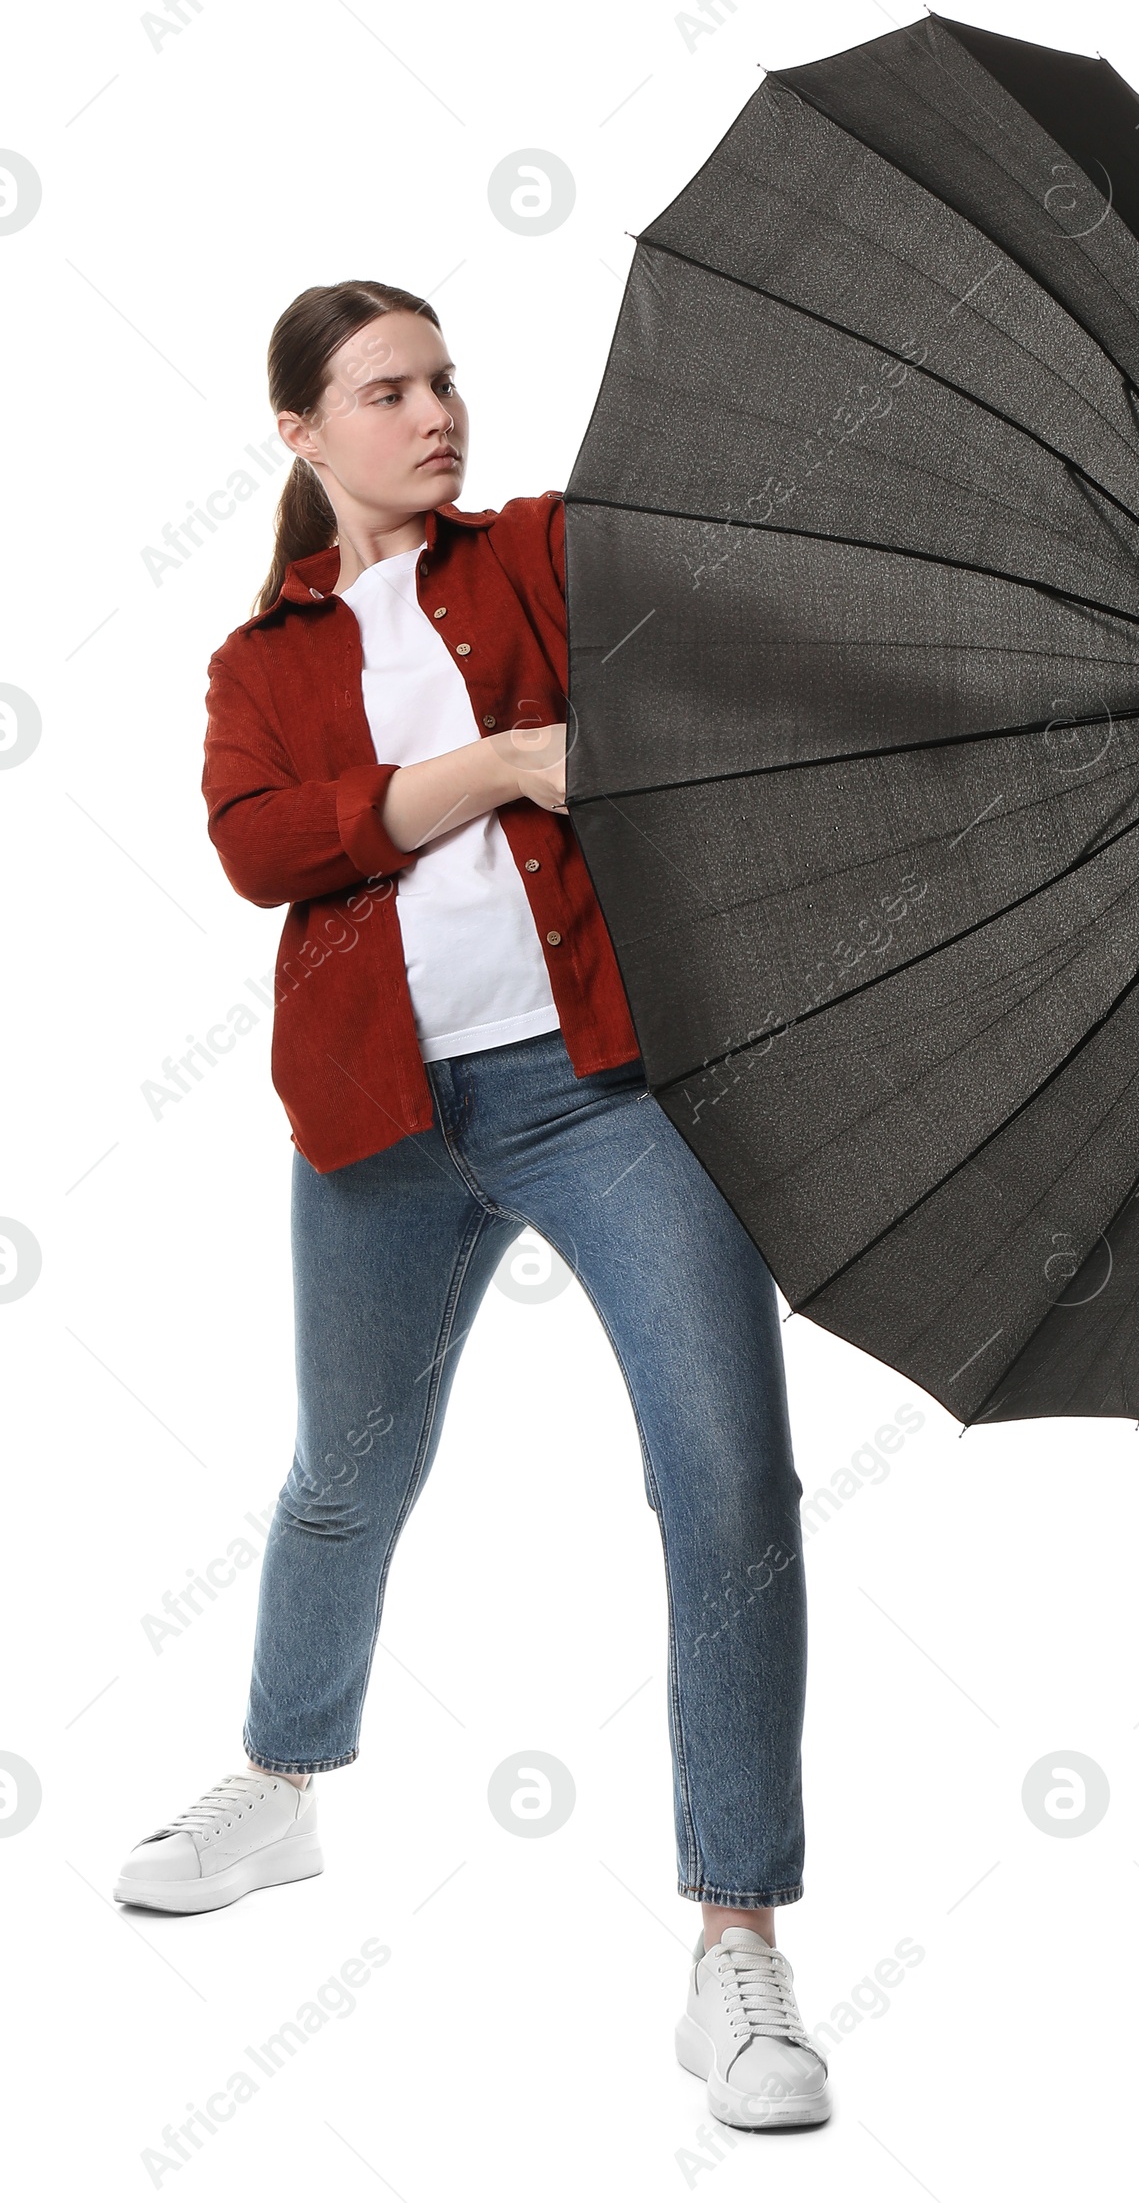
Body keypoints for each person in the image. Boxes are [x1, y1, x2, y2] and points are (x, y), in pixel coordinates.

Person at [111, 280, 829, 2132]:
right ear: (300, 432)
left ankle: (734, 1942)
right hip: (379, 1116)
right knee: (346, 1473)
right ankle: (279, 1782)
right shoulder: (259, 657)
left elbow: (708, 560)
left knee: (729, 1481)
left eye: (443, 379)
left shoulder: (537, 559)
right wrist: (506, 764)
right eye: (385, 390)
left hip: (601, 1093)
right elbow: (264, 843)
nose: (434, 412)